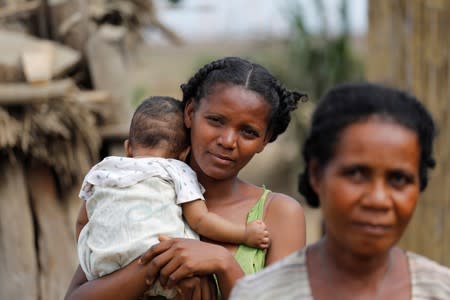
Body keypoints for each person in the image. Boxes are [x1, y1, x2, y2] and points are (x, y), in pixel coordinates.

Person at [65, 57, 307, 300]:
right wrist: (152, 267)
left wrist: (223, 264)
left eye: (248, 132)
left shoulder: (279, 214)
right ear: (190, 113)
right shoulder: (138, 188)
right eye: (216, 120)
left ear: (264, 141)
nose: (228, 141)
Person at [229, 82, 450, 300]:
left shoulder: (441, 291)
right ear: (316, 174)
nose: (378, 200)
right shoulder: (260, 294)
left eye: (399, 179)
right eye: (356, 174)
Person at [75, 96, 270, 299]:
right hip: (167, 267)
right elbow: (200, 220)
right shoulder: (178, 171)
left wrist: (89, 259)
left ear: (128, 148)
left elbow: (84, 221)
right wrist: (244, 235)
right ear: (183, 153)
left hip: (104, 269)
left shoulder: (103, 170)